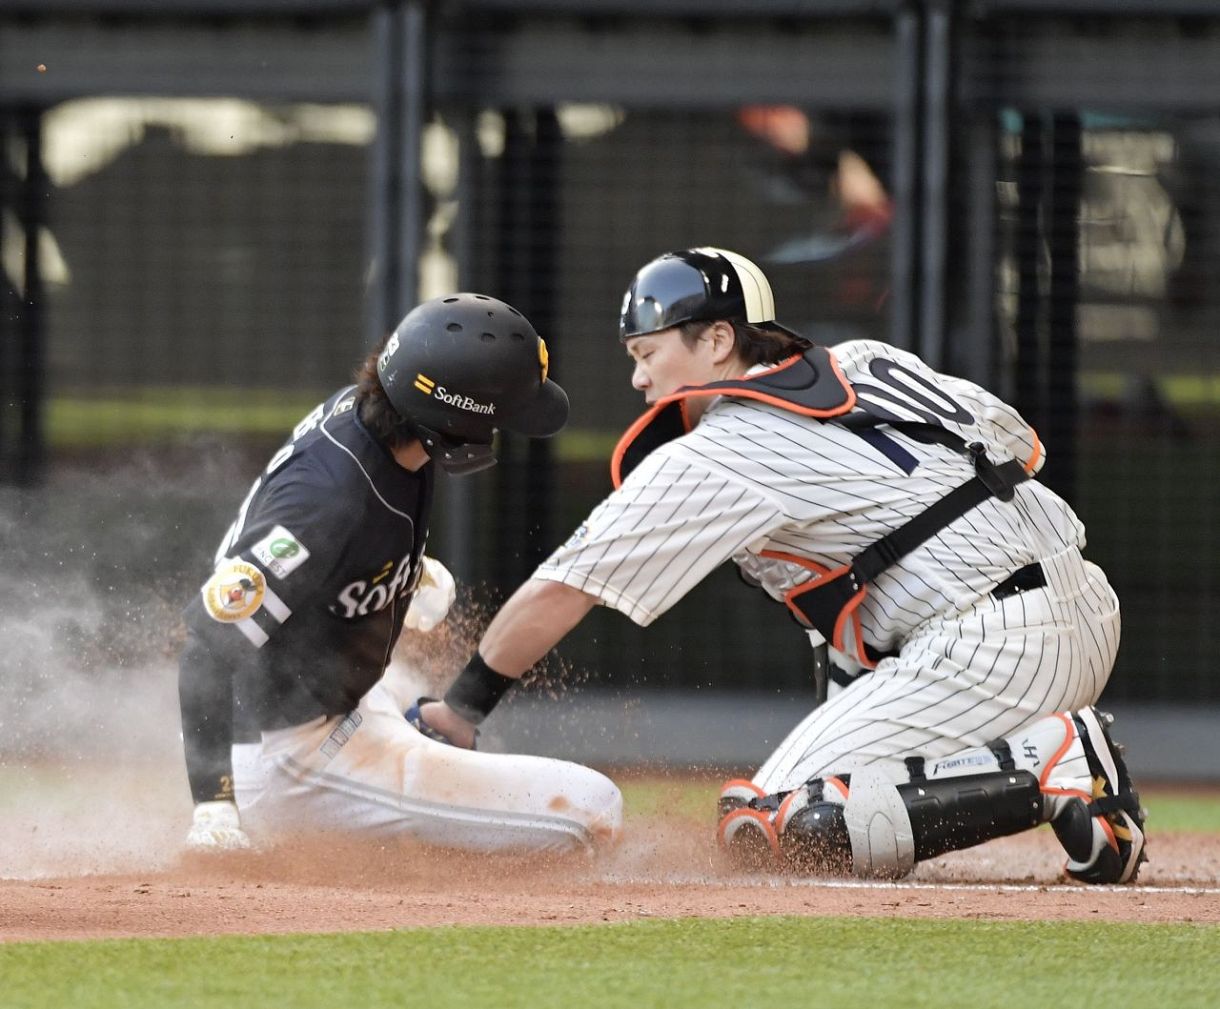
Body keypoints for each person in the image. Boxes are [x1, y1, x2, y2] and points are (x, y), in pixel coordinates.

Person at [415, 247, 1146, 884]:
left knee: (781, 829)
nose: (638, 378)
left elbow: (562, 589)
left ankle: (1057, 763)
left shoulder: (724, 449)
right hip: (1077, 599)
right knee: (840, 683)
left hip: (993, 647)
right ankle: (1088, 805)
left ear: (720, 339)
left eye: (647, 353)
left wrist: (461, 707)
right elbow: (1013, 442)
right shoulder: (861, 358)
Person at [178, 293, 622, 854]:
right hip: (285, 749)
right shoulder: (326, 503)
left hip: (340, 700)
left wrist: (395, 575)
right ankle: (318, 828)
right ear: (455, 423)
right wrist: (215, 806)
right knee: (590, 808)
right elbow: (205, 650)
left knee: (418, 699)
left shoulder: (386, 423)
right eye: (500, 417)